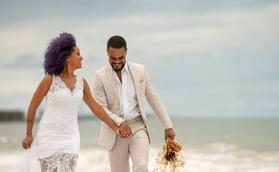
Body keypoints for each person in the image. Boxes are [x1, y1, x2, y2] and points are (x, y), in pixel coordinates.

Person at [15, 33, 119, 172]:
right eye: (77, 54)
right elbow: (33, 107)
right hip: (48, 136)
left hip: (71, 137)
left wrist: (115, 127)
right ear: (67, 57)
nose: (82, 57)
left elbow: (96, 108)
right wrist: (28, 134)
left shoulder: (82, 83)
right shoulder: (50, 80)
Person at [93, 35, 176, 172]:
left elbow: (153, 98)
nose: (117, 62)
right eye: (113, 59)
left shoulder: (139, 70)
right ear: (107, 52)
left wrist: (168, 126)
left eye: (121, 58)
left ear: (126, 51)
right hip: (115, 131)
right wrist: (120, 123)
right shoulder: (100, 76)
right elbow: (100, 108)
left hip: (138, 127)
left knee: (141, 167)